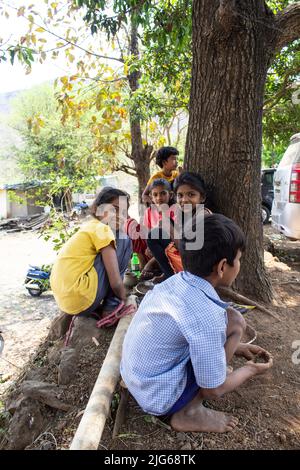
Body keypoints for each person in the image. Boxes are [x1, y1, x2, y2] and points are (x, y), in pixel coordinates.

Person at [121, 214, 273, 433]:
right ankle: (189, 412)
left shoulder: (174, 282)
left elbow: (182, 333)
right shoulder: (207, 315)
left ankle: (211, 369)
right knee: (236, 322)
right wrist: (250, 370)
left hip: (138, 378)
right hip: (158, 397)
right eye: (238, 259)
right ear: (222, 266)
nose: (239, 264)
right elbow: (214, 389)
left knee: (230, 319)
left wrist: (236, 348)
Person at [50, 187, 132, 318]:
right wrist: (124, 299)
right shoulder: (102, 229)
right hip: (82, 298)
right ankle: (112, 305)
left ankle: (103, 302)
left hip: (68, 303)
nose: (119, 216)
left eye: (123, 212)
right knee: (124, 239)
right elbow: (116, 282)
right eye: (114, 209)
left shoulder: (90, 226)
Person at [147, 171, 210, 278]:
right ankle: (168, 275)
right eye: (180, 195)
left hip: (199, 270)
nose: (184, 200)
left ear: (202, 197)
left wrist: (170, 229)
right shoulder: (182, 213)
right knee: (155, 234)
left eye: (191, 194)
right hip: (186, 264)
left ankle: (174, 279)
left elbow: (187, 251)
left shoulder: (203, 215)